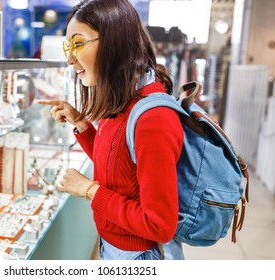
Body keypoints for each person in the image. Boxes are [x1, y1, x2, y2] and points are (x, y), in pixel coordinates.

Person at [36, 0, 184, 260]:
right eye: (68, 46)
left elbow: (160, 225)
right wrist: (82, 124)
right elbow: (120, 170)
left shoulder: (153, 117)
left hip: (138, 256)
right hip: (114, 248)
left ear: (115, 42)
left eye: (78, 44)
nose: (70, 59)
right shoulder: (122, 98)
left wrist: (89, 190)